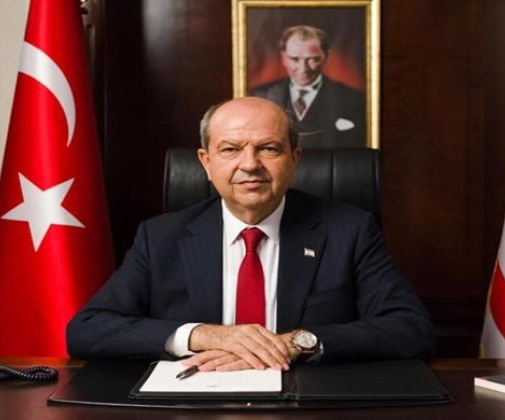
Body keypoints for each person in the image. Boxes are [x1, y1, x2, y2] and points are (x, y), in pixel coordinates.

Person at [67, 97, 433, 372]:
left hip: (307, 402)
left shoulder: (349, 230)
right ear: (206, 162)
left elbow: (411, 328)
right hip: (194, 402)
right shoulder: (160, 237)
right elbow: (86, 331)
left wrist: (296, 343)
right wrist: (203, 335)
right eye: (230, 149)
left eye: (268, 148)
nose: (250, 164)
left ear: (295, 158)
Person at [251, 25, 366, 148]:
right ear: (284, 58)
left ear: (326, 57)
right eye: (294, 59)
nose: (303, 69)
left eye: (312, 59)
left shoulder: (352, 99)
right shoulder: (260, 96)